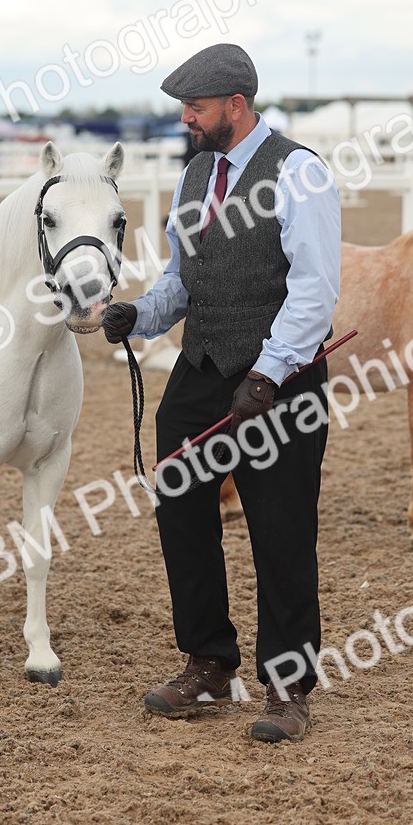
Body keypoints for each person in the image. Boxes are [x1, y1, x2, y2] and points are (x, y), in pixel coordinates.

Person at [103, 43, 340, 744]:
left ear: (236, 105)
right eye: (185, 108)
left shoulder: (299, 171)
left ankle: (288, 688)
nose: (187, 119)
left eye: (196, 108)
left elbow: (315, 288)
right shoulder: (195, 173)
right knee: (179, 509)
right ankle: (208, 661)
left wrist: (267, 373)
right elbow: (182, 279)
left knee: (281, 530)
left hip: (280, 377)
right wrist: (139, 317)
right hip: (202, 366)